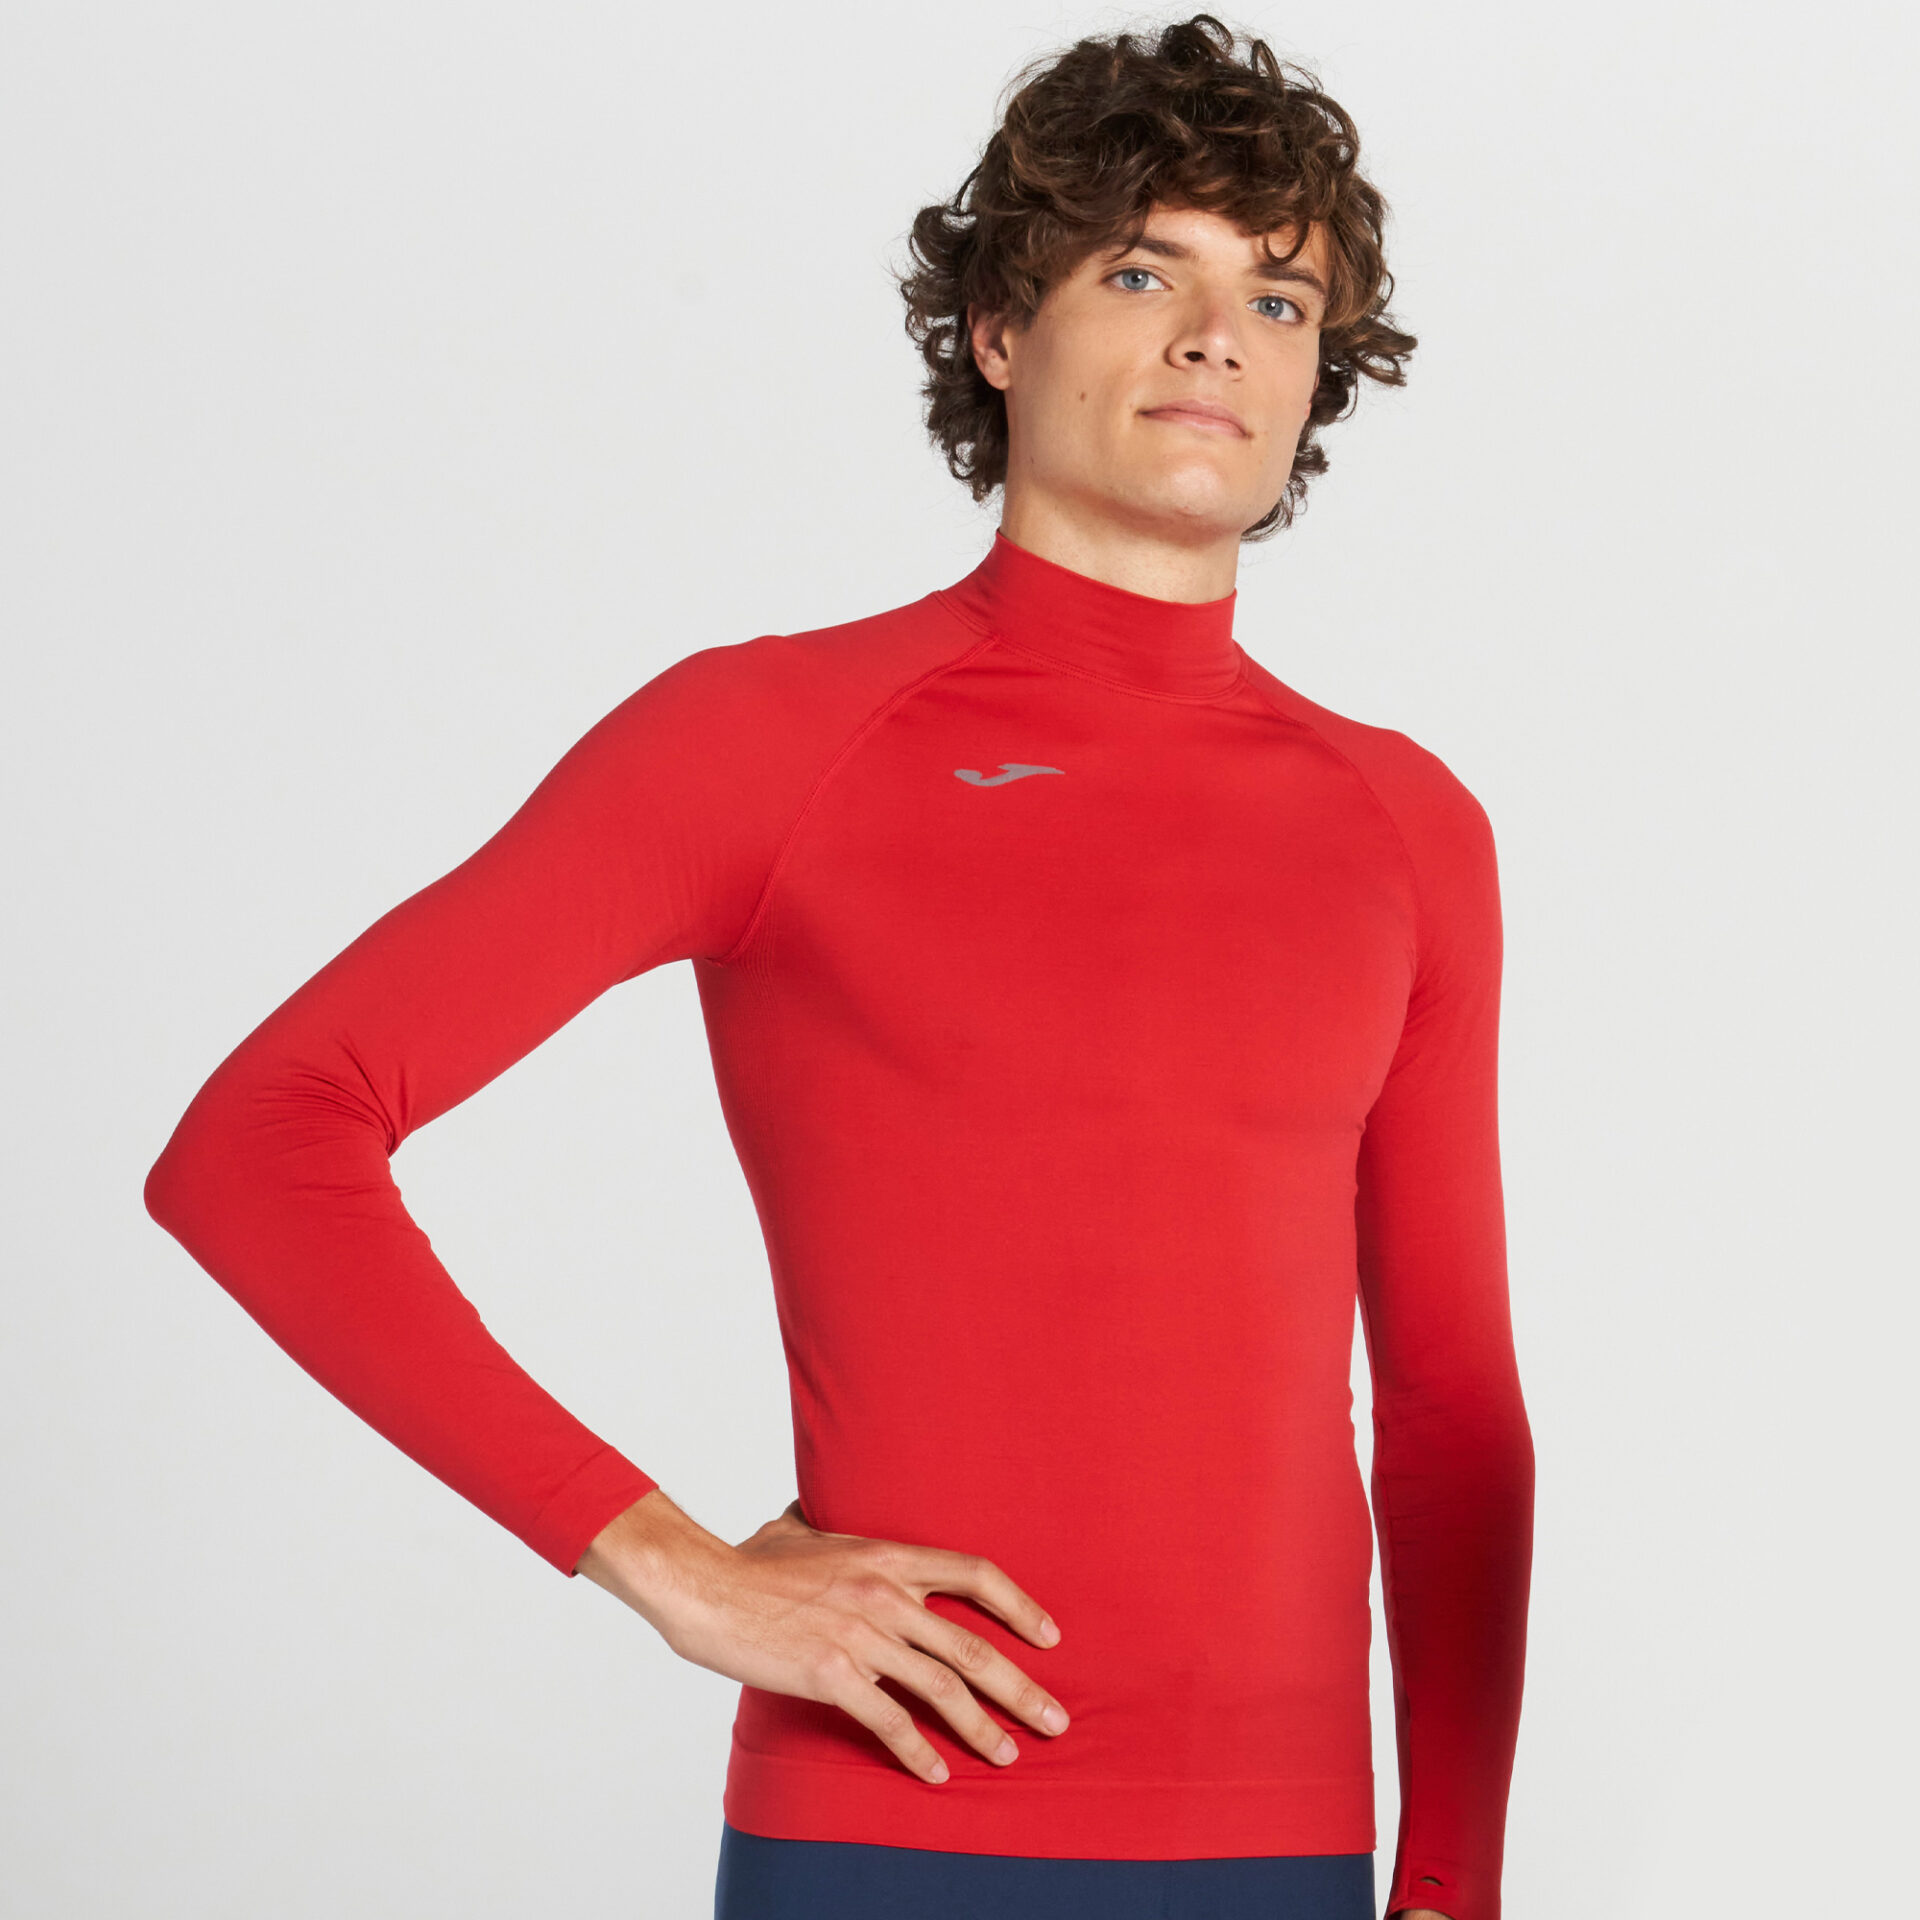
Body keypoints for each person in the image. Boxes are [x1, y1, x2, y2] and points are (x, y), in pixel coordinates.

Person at [143, 14, 1533, 1919]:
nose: (1221, 335)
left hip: (1281, 1840)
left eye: (1278, 298)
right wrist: (667, 1562)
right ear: (999, 329)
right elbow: (263, 1140)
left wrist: (1453, 1876)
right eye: (1145, 274)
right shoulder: (773, 740)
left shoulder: (1406, 824)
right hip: (889, 1831)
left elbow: (1450, 1408)